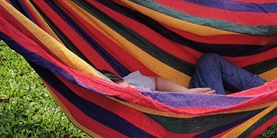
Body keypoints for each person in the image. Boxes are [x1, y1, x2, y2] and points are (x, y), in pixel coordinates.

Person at [103, 53, 265, 96]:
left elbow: (157, 82)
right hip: (193, 117)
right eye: (127, 94)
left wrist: (187, 93)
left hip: (191, 100)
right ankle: (266, 92)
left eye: (130, 86)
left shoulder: (132, 82)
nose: (133, 90)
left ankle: (266, 88)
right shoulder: (123, 113)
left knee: (209, 61)